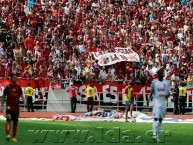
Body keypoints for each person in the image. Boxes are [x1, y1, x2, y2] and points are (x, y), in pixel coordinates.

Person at [1, 74, 27, 142]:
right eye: (14, 78)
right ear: (11, 79)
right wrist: (2, 106)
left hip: (16, 108)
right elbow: (3, 96)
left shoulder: (19, 87)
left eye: (16, 77)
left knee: (15, 122)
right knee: (8, 120)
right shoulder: (8, 87)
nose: (15, 79)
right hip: (9, 108)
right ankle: (7, 134)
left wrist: (24, 101)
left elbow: (21, 95)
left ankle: (14, 137)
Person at [149, 68, 170, 142]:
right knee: (155, 118)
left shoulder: (166, 83)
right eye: (159, 73)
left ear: (163, 74)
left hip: (163, 102)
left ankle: (157, 136)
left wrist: (166, 94)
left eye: (162, 73)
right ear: (157, 75)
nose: (161, 75)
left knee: (160, 119)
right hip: (156, 102)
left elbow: (168, 93)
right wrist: (150, 97)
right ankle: (154, 135)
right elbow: (151, 91)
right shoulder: (154, 82)